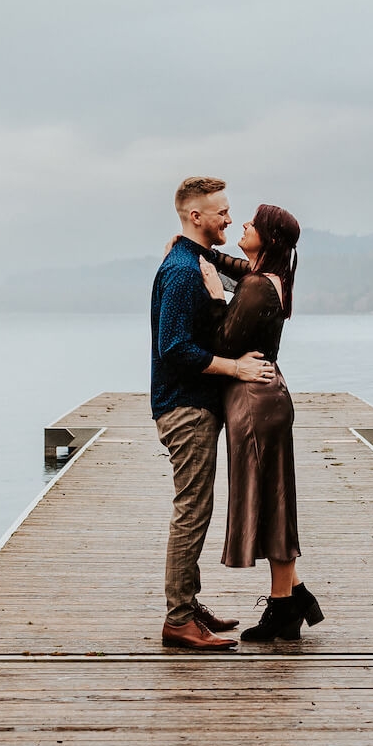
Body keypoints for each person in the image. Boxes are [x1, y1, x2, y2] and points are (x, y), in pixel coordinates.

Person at [150, 177, 275, 650]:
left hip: (194, 404)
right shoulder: (183, 271)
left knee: (196, 510)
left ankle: (189, 603)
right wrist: (237, 369)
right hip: (186, 408)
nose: (229, 218)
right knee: (192, 511)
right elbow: (174, 347)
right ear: (195, 217)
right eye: (221, 212)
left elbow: (254, 276)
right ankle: (178, 619)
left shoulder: (193, 260)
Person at [202, 204, 321, 642]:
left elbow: (222, 341)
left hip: (254, 404)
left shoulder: (254, 289)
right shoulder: (272, 279)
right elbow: (241, 268)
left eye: (253, 222)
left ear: (268, 241)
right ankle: (291, 597)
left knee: (270, 507)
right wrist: (211, 258)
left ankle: (285, 607)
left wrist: (215, 293)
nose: (244, 225)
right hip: (268, 400)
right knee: (276, 501)